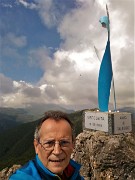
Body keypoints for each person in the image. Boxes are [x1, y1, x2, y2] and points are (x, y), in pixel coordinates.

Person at [9, 110, 84, 180]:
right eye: (49, 143)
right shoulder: (22, 178)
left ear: (73, 145)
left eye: (64, 142)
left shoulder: (73, 173)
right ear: (36, 146)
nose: (57, 151)